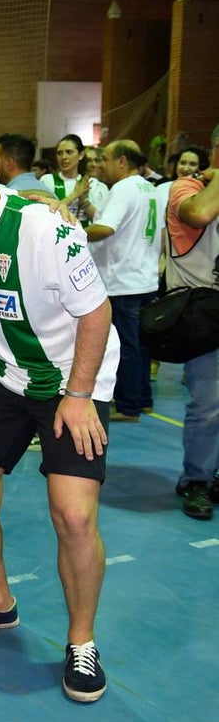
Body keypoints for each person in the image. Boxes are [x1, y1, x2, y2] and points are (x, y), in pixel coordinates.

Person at [0, 119, 118, 704]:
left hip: (75, 379)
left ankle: (81, 642)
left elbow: (98, 313)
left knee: (75, 516)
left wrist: (79, 394)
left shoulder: (42, 231)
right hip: (7, 373)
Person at [164, 127, 219, 520]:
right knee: (209, 403)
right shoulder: (187, 187)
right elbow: (199, 214)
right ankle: (196, 479)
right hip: (203, 313)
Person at [85, 140, 161, 423]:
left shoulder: (123, 188)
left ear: (121, 161)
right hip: (144, 277)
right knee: (140, 345)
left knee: (125, 346)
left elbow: (105, 228)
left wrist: (75, 231)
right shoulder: (148, 188)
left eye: (104, 159)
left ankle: (128, 406)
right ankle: (142, 399)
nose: (100, 164)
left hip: (122, 279)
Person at [40, 134, 108, 227]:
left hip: (85, 240)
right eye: (59, 153)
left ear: (81, 155)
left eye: (69, 152)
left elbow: (100, 222)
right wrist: (74, 195)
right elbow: (46, 214)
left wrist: (84, 201)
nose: (63, 157)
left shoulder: (93, 184)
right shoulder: (48, 180)